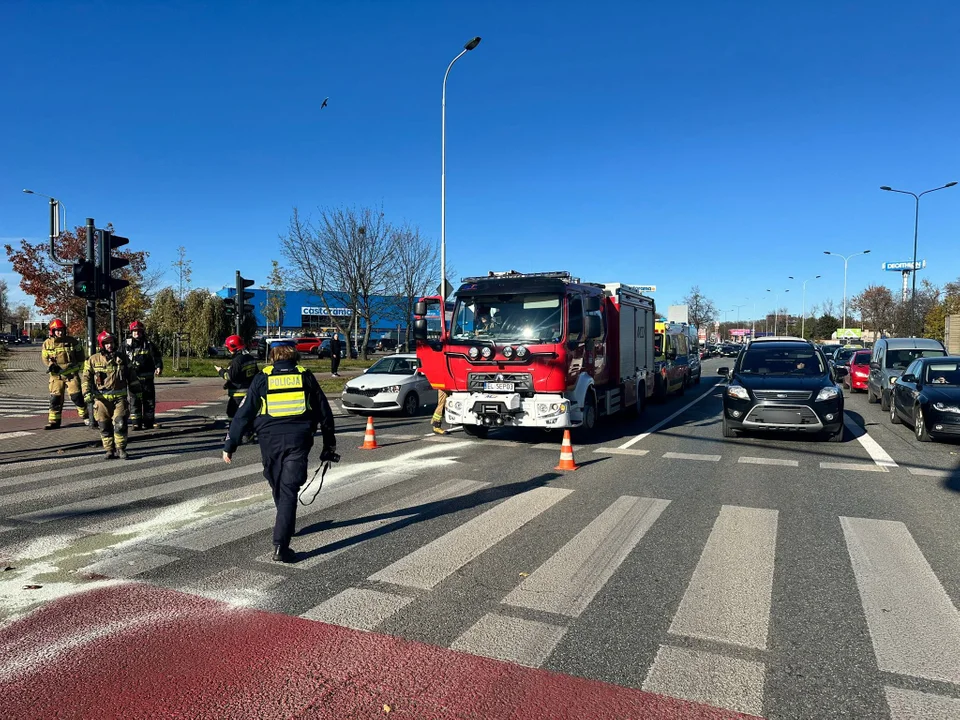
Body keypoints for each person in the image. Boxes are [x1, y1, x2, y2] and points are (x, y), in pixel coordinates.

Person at [222, 341, 337, 563]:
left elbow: (244, 413)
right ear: (295, 357)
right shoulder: (305, 376)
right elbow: (324, 412)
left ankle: (280, 544)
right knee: (286, 490)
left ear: (273, 357)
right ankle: (285, 526)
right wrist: (328, 445)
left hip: (269, 441)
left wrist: (230, 445)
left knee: (282, 487)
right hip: (299, 440)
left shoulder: (263, 378)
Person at [82, 331, 142, 460]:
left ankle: (121, 448)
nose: (109, 345)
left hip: (119, 398)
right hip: (101, 400)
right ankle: (109, 450)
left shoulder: (123, 358)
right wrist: (86, 393)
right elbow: (86, 378)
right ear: (102, 345)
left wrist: (137, 391)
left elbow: (131, 376)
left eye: (111, 342)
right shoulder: (93, 359)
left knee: (120, 424)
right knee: (104, 426)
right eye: (106, 343)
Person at [40, 318, 91, 430]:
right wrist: (49, 364)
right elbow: (44, 358)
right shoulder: (47, 343)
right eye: (57, 330)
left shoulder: (72, 341)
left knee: (77, 397)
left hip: (71, 375)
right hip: (56, 376)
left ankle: (86, 417)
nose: (60, 332)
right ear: (52, 331)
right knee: (55, 399)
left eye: (62, 330)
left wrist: (78, 368)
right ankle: (54, 421)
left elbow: (81, 357)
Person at [214, 335, 259, 439]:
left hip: (238, 394)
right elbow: (254, 374)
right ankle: (248, 434)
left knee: (231, 414)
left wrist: (220, 371)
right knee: (246, 414)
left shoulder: (237, 361)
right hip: (249, 392)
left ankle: (233, 436)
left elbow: (229, 376)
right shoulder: (250, 358)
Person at [125, 320, 163, 430]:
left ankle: (149, 422)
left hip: (147, 379)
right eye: (134, 331)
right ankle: (136, 423)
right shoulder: (126, 345)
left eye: (139, 331)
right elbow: (120, 357)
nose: (137, 333)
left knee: (149, 401)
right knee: (135, 401)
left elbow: (156, 357)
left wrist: (158, 366)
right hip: (133, 379)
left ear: (142, 332)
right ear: (131, 332)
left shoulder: (149, 344)